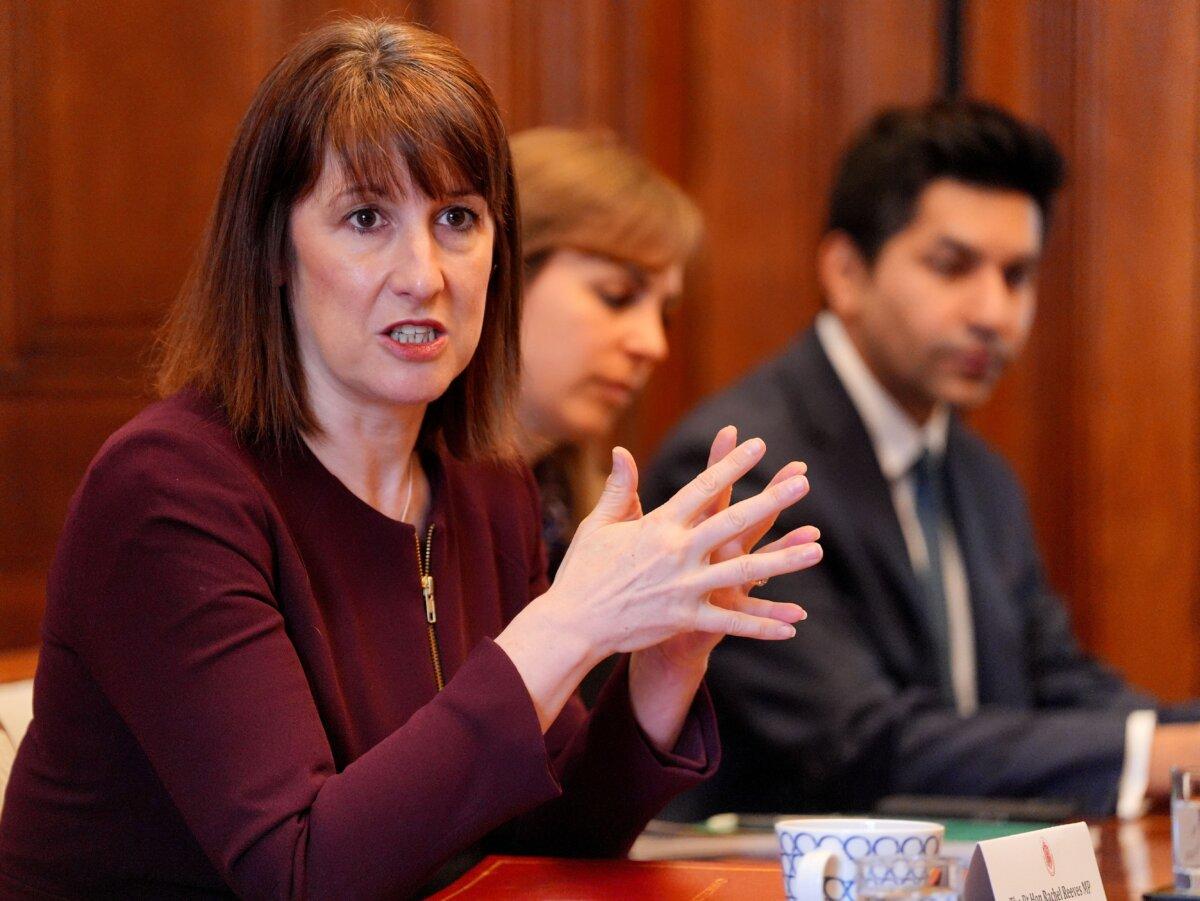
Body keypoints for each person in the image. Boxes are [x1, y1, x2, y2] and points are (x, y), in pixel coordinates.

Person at [0, 20, 823, 897]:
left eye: (457, 219)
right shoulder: (168, 491)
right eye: (365, 217)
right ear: (274, 249)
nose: (425, 273)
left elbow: (546, 839)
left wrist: (665, 664)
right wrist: (568, 624)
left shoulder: (486, 488)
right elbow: (301, 871)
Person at [645, 99, 1200, 821]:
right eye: (953, 266)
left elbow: (1058, 684)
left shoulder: (981, 476)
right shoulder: (741, 469)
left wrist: (1176, 737)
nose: (994, 313)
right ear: (846, 272)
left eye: (1017, 275)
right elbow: (856, 743)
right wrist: (1153, 756)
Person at [511, 126, 703, 579]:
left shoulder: (579, 511)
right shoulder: (411, 504)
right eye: (616, 295)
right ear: (504, 275)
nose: (653, 345)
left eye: (665, 315)